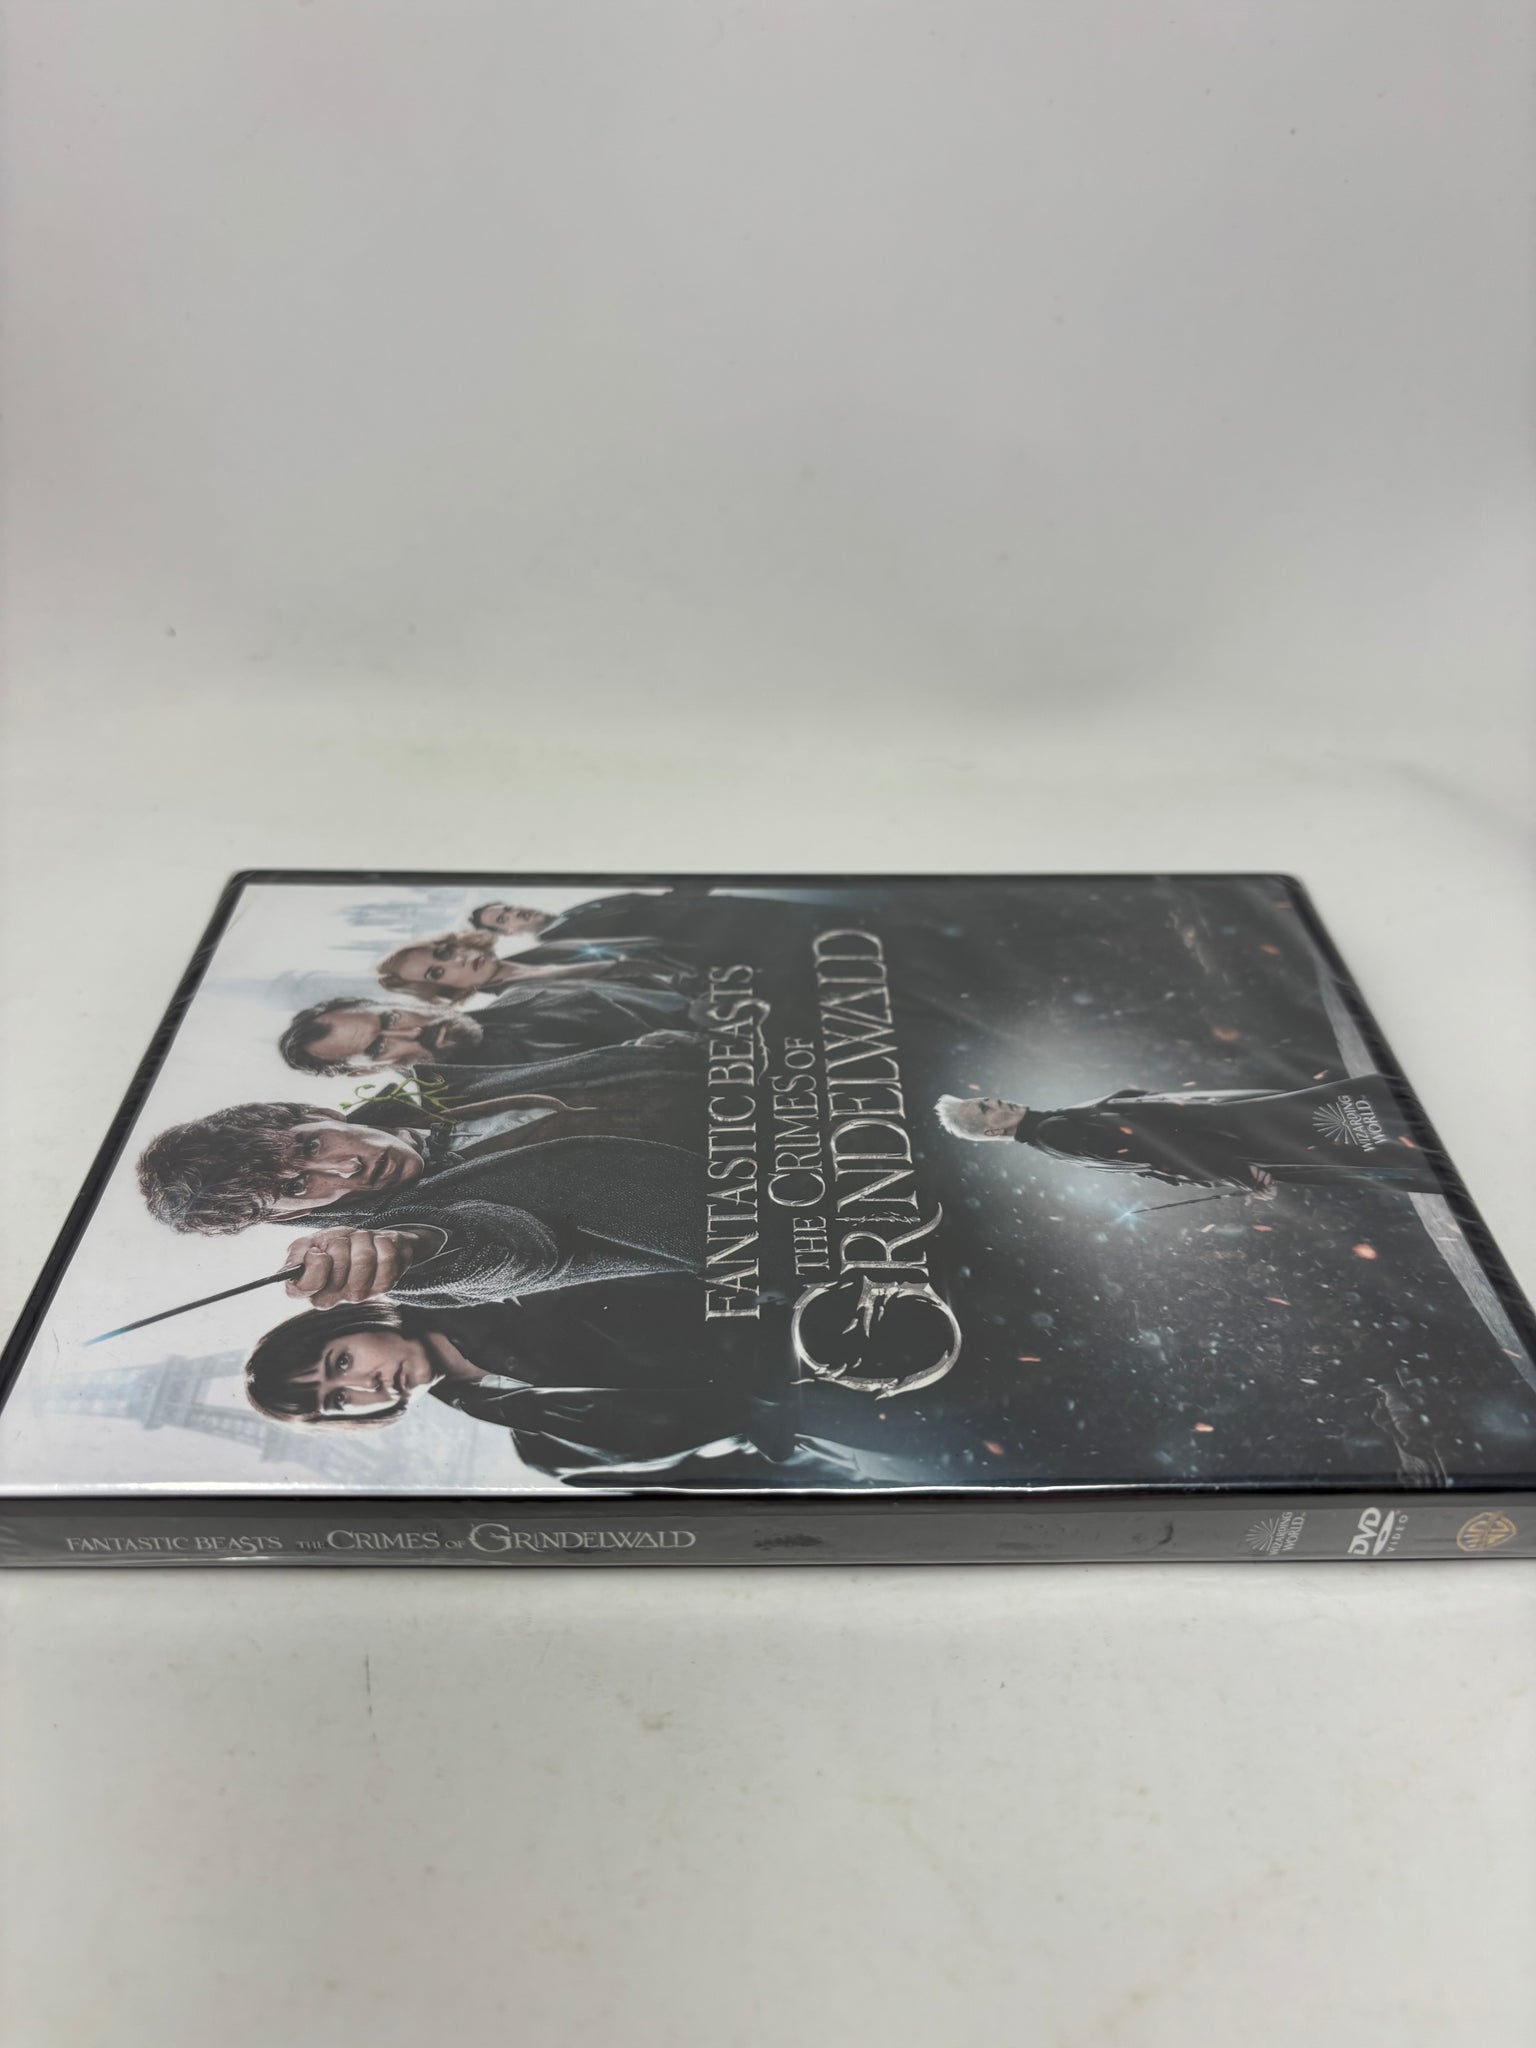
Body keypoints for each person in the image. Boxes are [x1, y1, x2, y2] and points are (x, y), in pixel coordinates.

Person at [242, 1289, 888, 1485]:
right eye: (338, 1399)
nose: (365, 1385)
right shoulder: (533, 1443)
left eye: (342, 1361)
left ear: (354, 1323)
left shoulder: (496, 1286)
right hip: (832, 1428)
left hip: (828, 1328)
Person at [136, 1093, 704, 1306]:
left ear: (317, 1113)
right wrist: (414, 1249)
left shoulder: (438, 1086)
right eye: (297, 1187)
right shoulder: (409, 1230)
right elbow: (512, 1249)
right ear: (297, 1215)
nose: (344, 1168)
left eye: (311, 1145)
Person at [934, 1077, 1441, 1196]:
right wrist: (1234, 1173)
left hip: (1231, 1125)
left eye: (990, 1097)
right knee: (1366, 1122)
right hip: (1234, 1135)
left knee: (1367, 1117)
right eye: (987, 1108)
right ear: (992, 1130)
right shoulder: (1055, 1133)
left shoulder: (1052, 1127)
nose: (997, 1101)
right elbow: (1151, 1152)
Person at [280, 985, 700, 1076]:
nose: (412, 1035)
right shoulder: (475, 1112)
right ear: (364, 1072)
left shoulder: (533, 996)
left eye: (390, 1021)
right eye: (377, 1049)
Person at [377, 929, 689, 1006]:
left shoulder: (549, 946)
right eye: (437, 972)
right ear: (443, 989)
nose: (456, 960)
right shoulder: (521, 1003)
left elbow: (656, 945)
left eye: (444, 952)